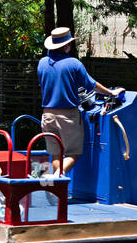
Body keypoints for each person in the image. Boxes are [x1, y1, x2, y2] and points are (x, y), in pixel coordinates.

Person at [37, 27, 123, 175]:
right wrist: (111, 92)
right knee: (73, 153)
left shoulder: (42, 63)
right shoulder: (74, 63)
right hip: (68, 116)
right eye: (69, 44)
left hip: (47, 115)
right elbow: (92, 85)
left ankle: (58, 183)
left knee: (56, 154)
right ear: (66, 46)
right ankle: (59, 176)